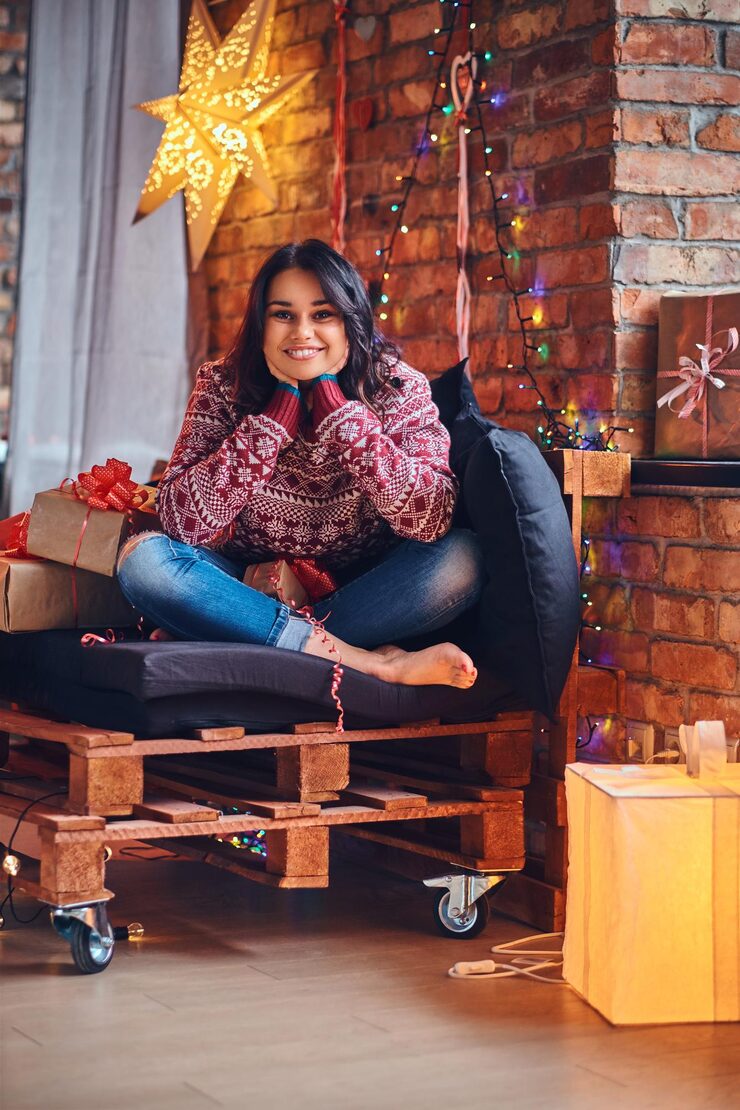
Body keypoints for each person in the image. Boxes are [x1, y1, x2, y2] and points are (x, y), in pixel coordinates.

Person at [117, 240, 485, 689]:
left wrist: (346, 422)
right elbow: (182, 521)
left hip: (359, 590)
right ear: (261, 324)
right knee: (145, 561)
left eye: (322, 314)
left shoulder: (395, 386)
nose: (302, 332)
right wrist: (272, 422)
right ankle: (371, 661)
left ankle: (241, 631)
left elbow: (432, 518)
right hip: (247, 583)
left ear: (350, 320)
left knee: (462, 559)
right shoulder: (222, 384)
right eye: (284, 314)